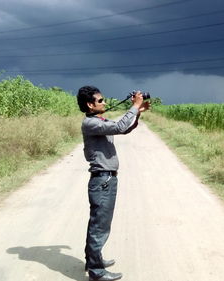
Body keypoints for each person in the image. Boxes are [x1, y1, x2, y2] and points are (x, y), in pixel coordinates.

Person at [76, 86, 149, 281]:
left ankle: (94, 260)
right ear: (90, 105)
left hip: (105, 180)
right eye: (101, 101)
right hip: (103, 181)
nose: (105, 102)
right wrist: (134, 106)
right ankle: (97, 272)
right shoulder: (90, 123)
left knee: (98, 224)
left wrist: (138, 112)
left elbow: (123, 130)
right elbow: (119, 127)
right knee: (100, 226)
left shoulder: (98, 120)